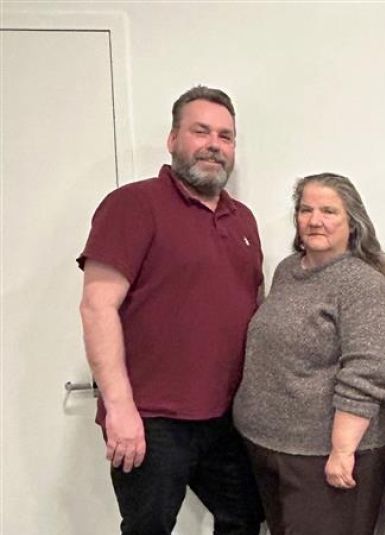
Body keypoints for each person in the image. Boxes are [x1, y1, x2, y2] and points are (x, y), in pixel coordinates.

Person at [77, 85, 264, 534]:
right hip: (151, 417)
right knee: (150, 527)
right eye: (201, 131)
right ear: (173, 139)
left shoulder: (243, 219)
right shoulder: (133, 205)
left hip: (225, 416)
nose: (214, 144)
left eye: (225, 136)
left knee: (244, 517)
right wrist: (119, 407)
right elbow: (97, 307)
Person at [233, 173, 385, 535]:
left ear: (353, 223)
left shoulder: (363, 283)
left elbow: (371, 369)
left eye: (329, 211)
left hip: (325, 454)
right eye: (305, 210)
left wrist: (342, 450)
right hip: (270, 445)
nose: (314, 220)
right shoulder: (288, 270)